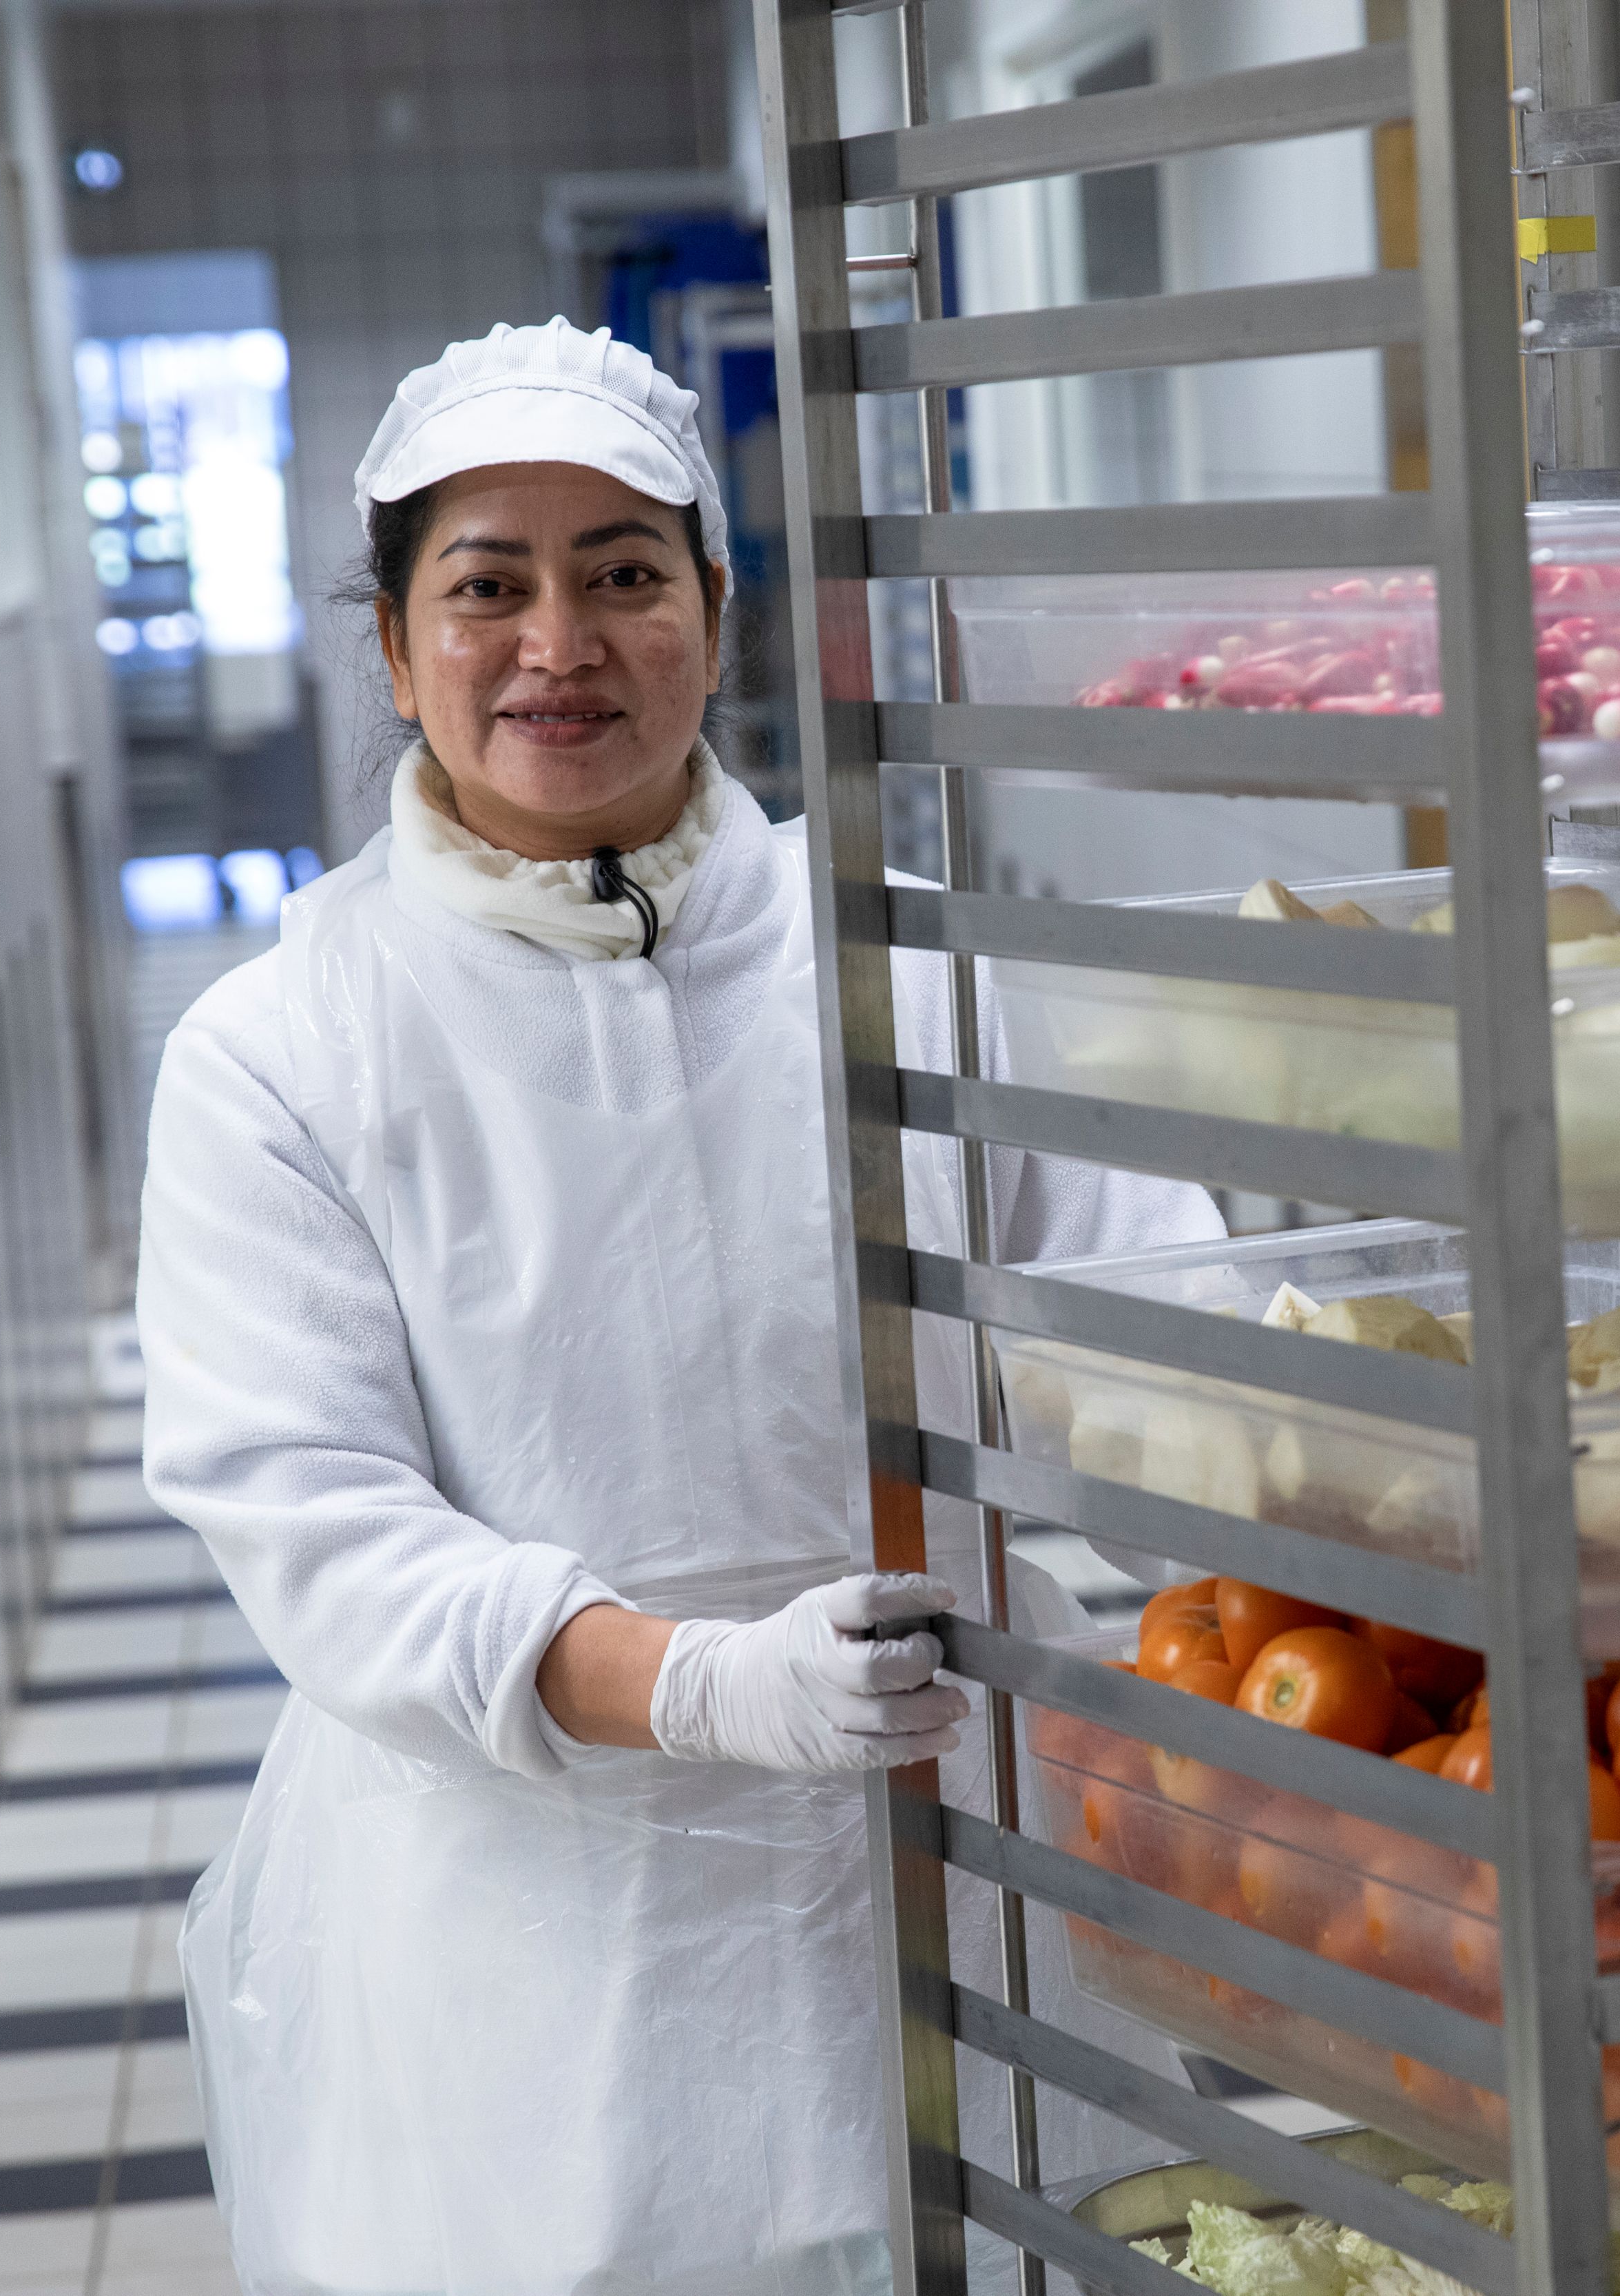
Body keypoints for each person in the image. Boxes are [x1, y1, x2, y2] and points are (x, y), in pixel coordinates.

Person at [138, 320, 1220, 2295]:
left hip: (950, 1864)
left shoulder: (897, 970)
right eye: (488, 586)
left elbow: (1149, 1335)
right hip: (530, 1954)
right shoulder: (284, 1051)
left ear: (717, 619)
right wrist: (711, 1685)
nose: (560, 642)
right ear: (395, 649)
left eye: (625, 573)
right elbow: (322, 1535)